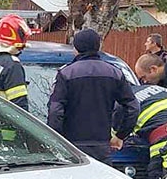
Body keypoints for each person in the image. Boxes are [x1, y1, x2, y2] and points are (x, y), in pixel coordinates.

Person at [47, 29, 139, 161]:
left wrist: (56, 140)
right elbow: (133, 107)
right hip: (102, 147)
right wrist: (120, 136)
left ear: (76, 48)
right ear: (99, 46)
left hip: (71, 146)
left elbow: (55, 111)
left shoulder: (66, 73)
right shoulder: (115, 73)